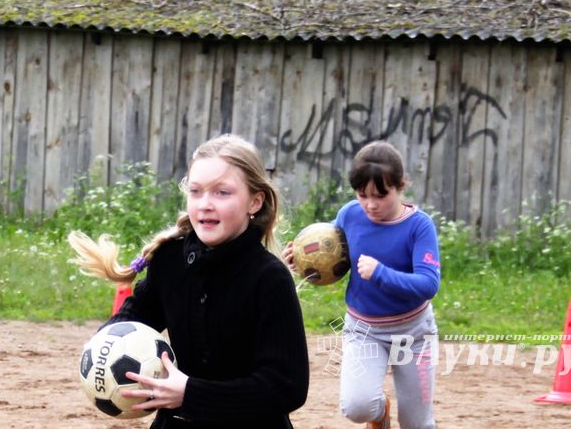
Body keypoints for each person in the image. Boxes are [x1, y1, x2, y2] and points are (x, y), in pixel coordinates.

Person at [69, 134, 309, 429]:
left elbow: (288, 386)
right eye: (196, 192)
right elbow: (135, 316)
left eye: (222, 193)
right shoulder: (170, 260)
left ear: (255, 202)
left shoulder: (269, 278)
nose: (206, 204)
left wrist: (190, 393)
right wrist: (103, 344)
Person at [285, 141, 441, 429]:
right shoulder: (350, 214)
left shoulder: (420, 226)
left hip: (414, 334)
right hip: (364, 330)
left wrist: (380, 272)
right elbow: (329, 254)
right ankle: (380, 415)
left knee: (416, 425)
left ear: (400, 186)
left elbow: (429, 284)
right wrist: (300, 259)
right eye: (362, 195)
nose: (370, 204)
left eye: (381, 195)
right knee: (357, 407)